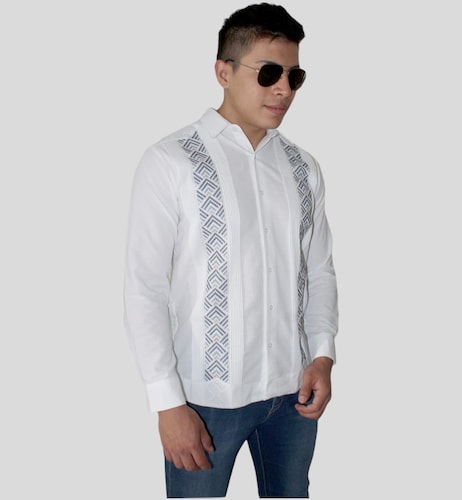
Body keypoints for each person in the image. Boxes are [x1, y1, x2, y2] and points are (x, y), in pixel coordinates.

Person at [124, 3, 338, 498]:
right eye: (268, 73)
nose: (283, 89)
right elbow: (144, 288)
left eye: (294, 76)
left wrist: (323, 355)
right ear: (224, 72)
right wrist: (167, 403)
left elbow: (319, 270)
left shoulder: (302, 167)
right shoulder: (171, 162)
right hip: (204, 401)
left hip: (293, 395)